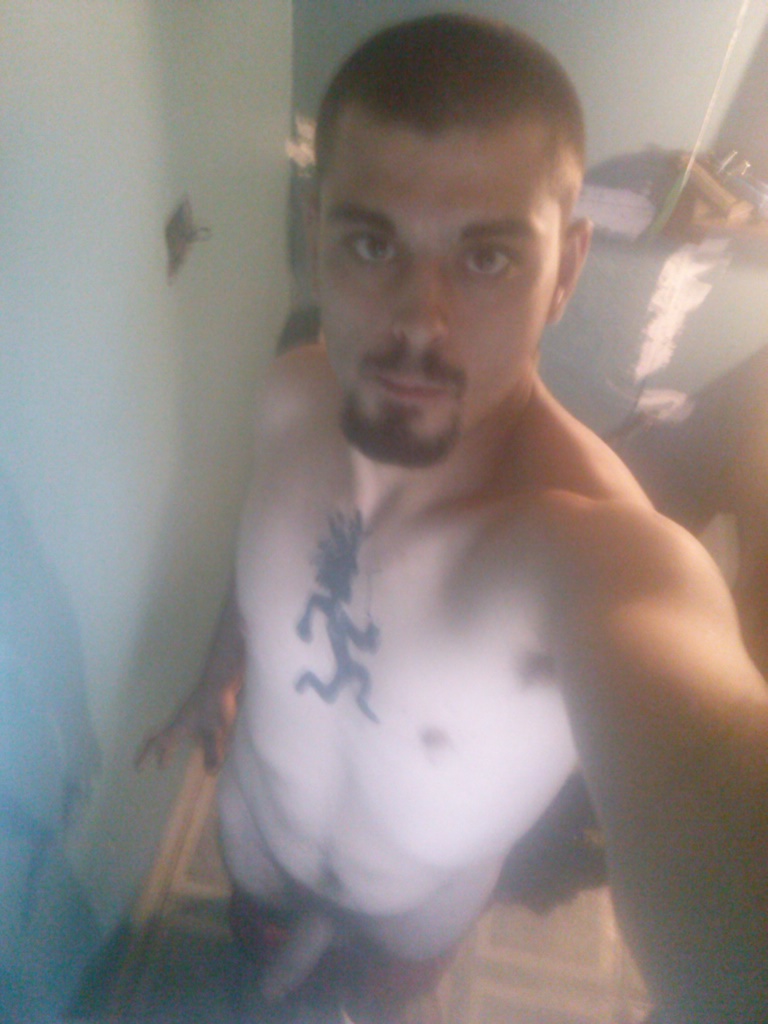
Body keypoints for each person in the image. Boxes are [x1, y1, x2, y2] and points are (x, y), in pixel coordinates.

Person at [138, 15, 768, 1023]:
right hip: (254, 845)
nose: (417, 321)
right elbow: (263, 557)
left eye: (487, 258)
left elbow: (711, 763)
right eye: (370, 241)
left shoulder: (596, 555)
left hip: (411, 918)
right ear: (315, 232)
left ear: (566, 269)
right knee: (249, 970)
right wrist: (220, 675)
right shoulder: (290, 395)